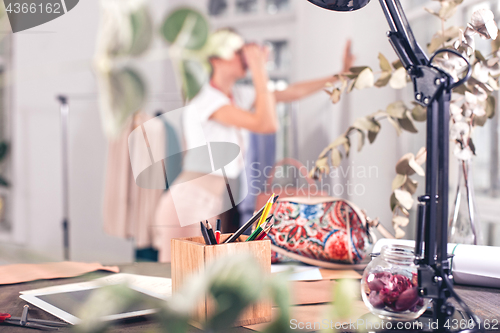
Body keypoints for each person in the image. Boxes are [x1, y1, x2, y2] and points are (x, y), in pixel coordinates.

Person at [153, 28, 354, 262]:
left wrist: (341, 76)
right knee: (177, 280)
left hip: (210, 202)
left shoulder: (237, 95)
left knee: (199, 281)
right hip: (186, 203)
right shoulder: (205, 100)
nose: (245, 57)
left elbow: (292, 92)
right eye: (238, 51)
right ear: (215, 59)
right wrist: (260, 69)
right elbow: (267, 124)